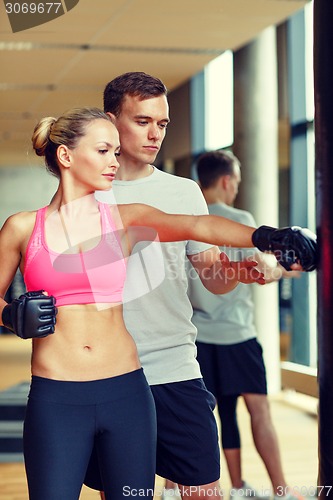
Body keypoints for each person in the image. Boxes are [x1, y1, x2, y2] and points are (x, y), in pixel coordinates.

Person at [0, 106, 312, 500]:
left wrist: (267, 236)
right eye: (103, 151)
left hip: (127, 393)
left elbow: (198, 224)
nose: (114, 161)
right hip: (57, 396)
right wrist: (10, 315)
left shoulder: (126, 220)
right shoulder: (23, 227)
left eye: (115, 152)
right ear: (65, 156)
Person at [82, 72, 317, 500]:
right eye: (142, 121)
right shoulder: (84, 192)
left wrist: (249, 272)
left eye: (162, 124)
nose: (155, 134)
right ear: (111, 120)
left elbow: (213, 276)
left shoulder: (183, 192)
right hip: (107, 372)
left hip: (174, 365)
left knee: (204, 490)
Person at [188, 149, 304, 500]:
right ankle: (281, 489)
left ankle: (213, 486)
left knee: (207, 416)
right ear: (226, 181)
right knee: (259, 412)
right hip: (238, 335)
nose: (235, 188)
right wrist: (290, 268)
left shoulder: (185, 221)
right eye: (236, 182)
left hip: (198, 338)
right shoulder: (239, 220)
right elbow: (261, 270)